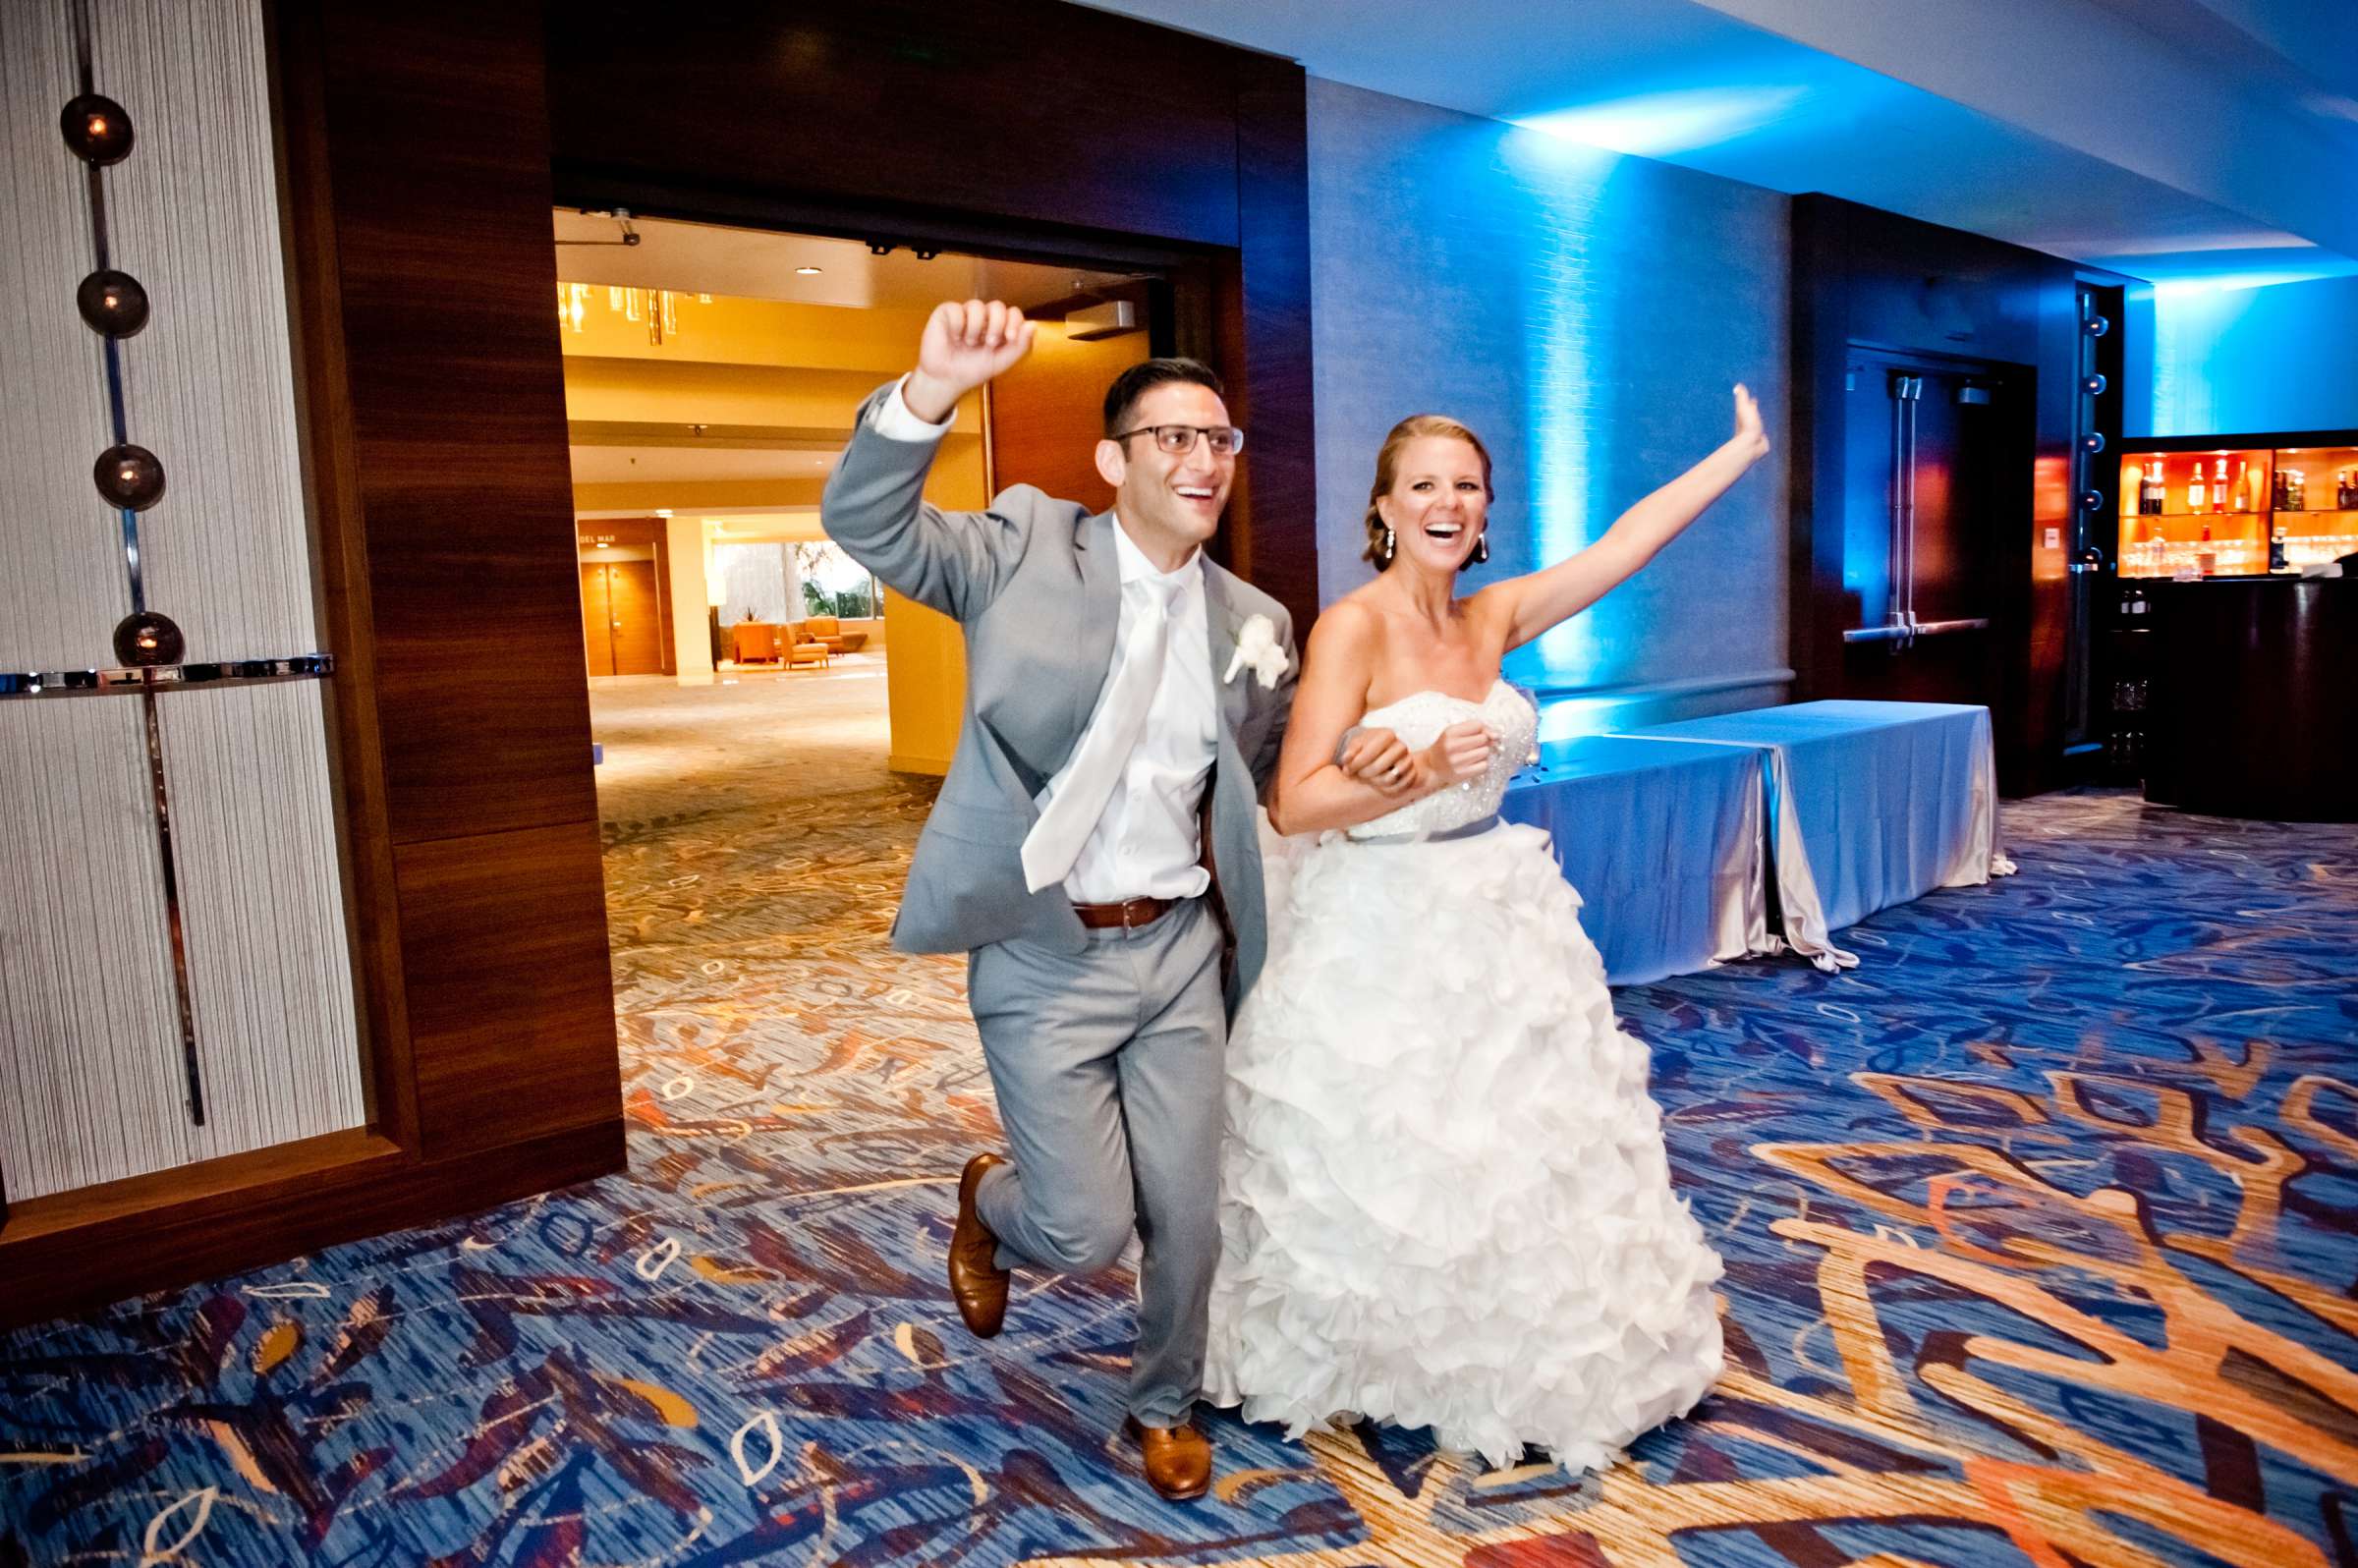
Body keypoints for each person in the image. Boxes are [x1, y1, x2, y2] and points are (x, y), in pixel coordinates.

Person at [819, 301, 1412, 1500]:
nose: (1203, 461)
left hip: (1182, 950)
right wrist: (931, 387)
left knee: (1189, 1217)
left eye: (1220, 441)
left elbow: (1259, 788)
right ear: (1115, 460)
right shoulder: (1024, 547)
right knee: (1087, 1230)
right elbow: (864, 521)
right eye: (1174, 439)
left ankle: (1162, 1402)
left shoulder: (1255, 622)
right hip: (1046, 954)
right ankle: (988, 1200)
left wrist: (1371, 776)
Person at [1204, 391, 1770, 1471]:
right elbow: (1297, 802)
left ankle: (1508, 1352)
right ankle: (1380, 1353)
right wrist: (1412, 773)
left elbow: (1625, 544)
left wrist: (1738, 452)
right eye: (1423, 484)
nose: (1446, 502)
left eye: (1465, 486)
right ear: (1384, 506)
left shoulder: (1491, 616)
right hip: (1381, 920)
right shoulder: (1353, 626)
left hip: (1500, 911)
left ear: (1485, 508)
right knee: (1395, 1148)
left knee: (1518, 1144)